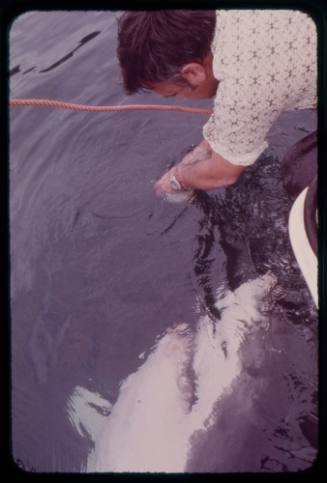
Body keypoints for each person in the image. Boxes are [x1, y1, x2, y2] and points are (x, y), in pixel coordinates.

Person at [117, 10, 317, 199]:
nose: (180, 99)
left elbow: (224, 173)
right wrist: (205, 148)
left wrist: (177, 179)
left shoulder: (244, 83)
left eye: (175, 94)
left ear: (193, 73)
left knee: (297, 173)